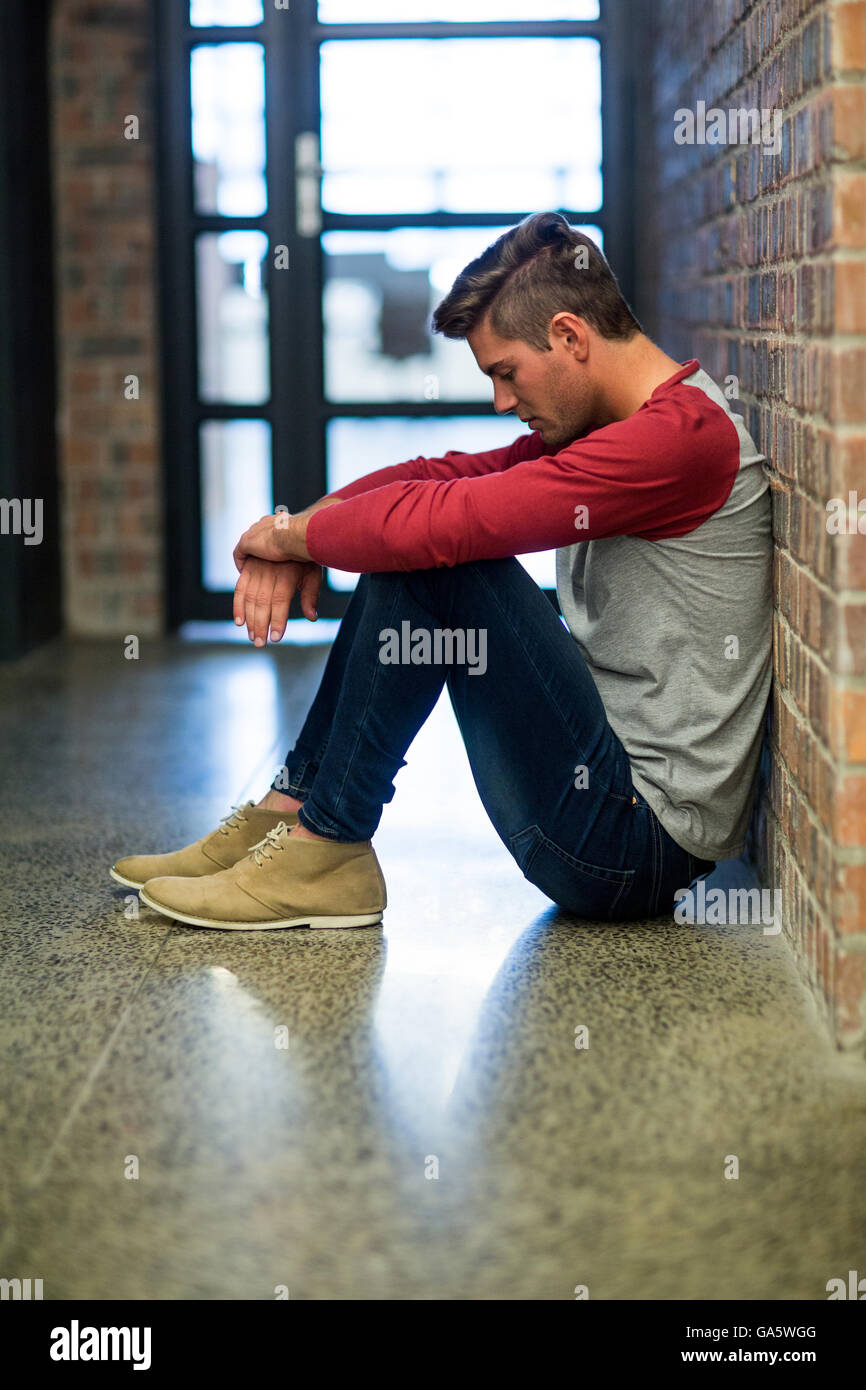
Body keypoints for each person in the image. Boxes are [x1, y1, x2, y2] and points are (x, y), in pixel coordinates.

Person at [110, 211, 772, 931]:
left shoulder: (680, 441)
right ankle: (295, 812)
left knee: (439, 559)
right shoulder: (610, 429)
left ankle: (327, 844)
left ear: (569, 337)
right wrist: (287, 533)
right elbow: (439, 474)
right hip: (601, 803)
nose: (502, 401)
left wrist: (295, 538)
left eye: (506, 372)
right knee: (423, 533)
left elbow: (449, 520)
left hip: (632, 844)